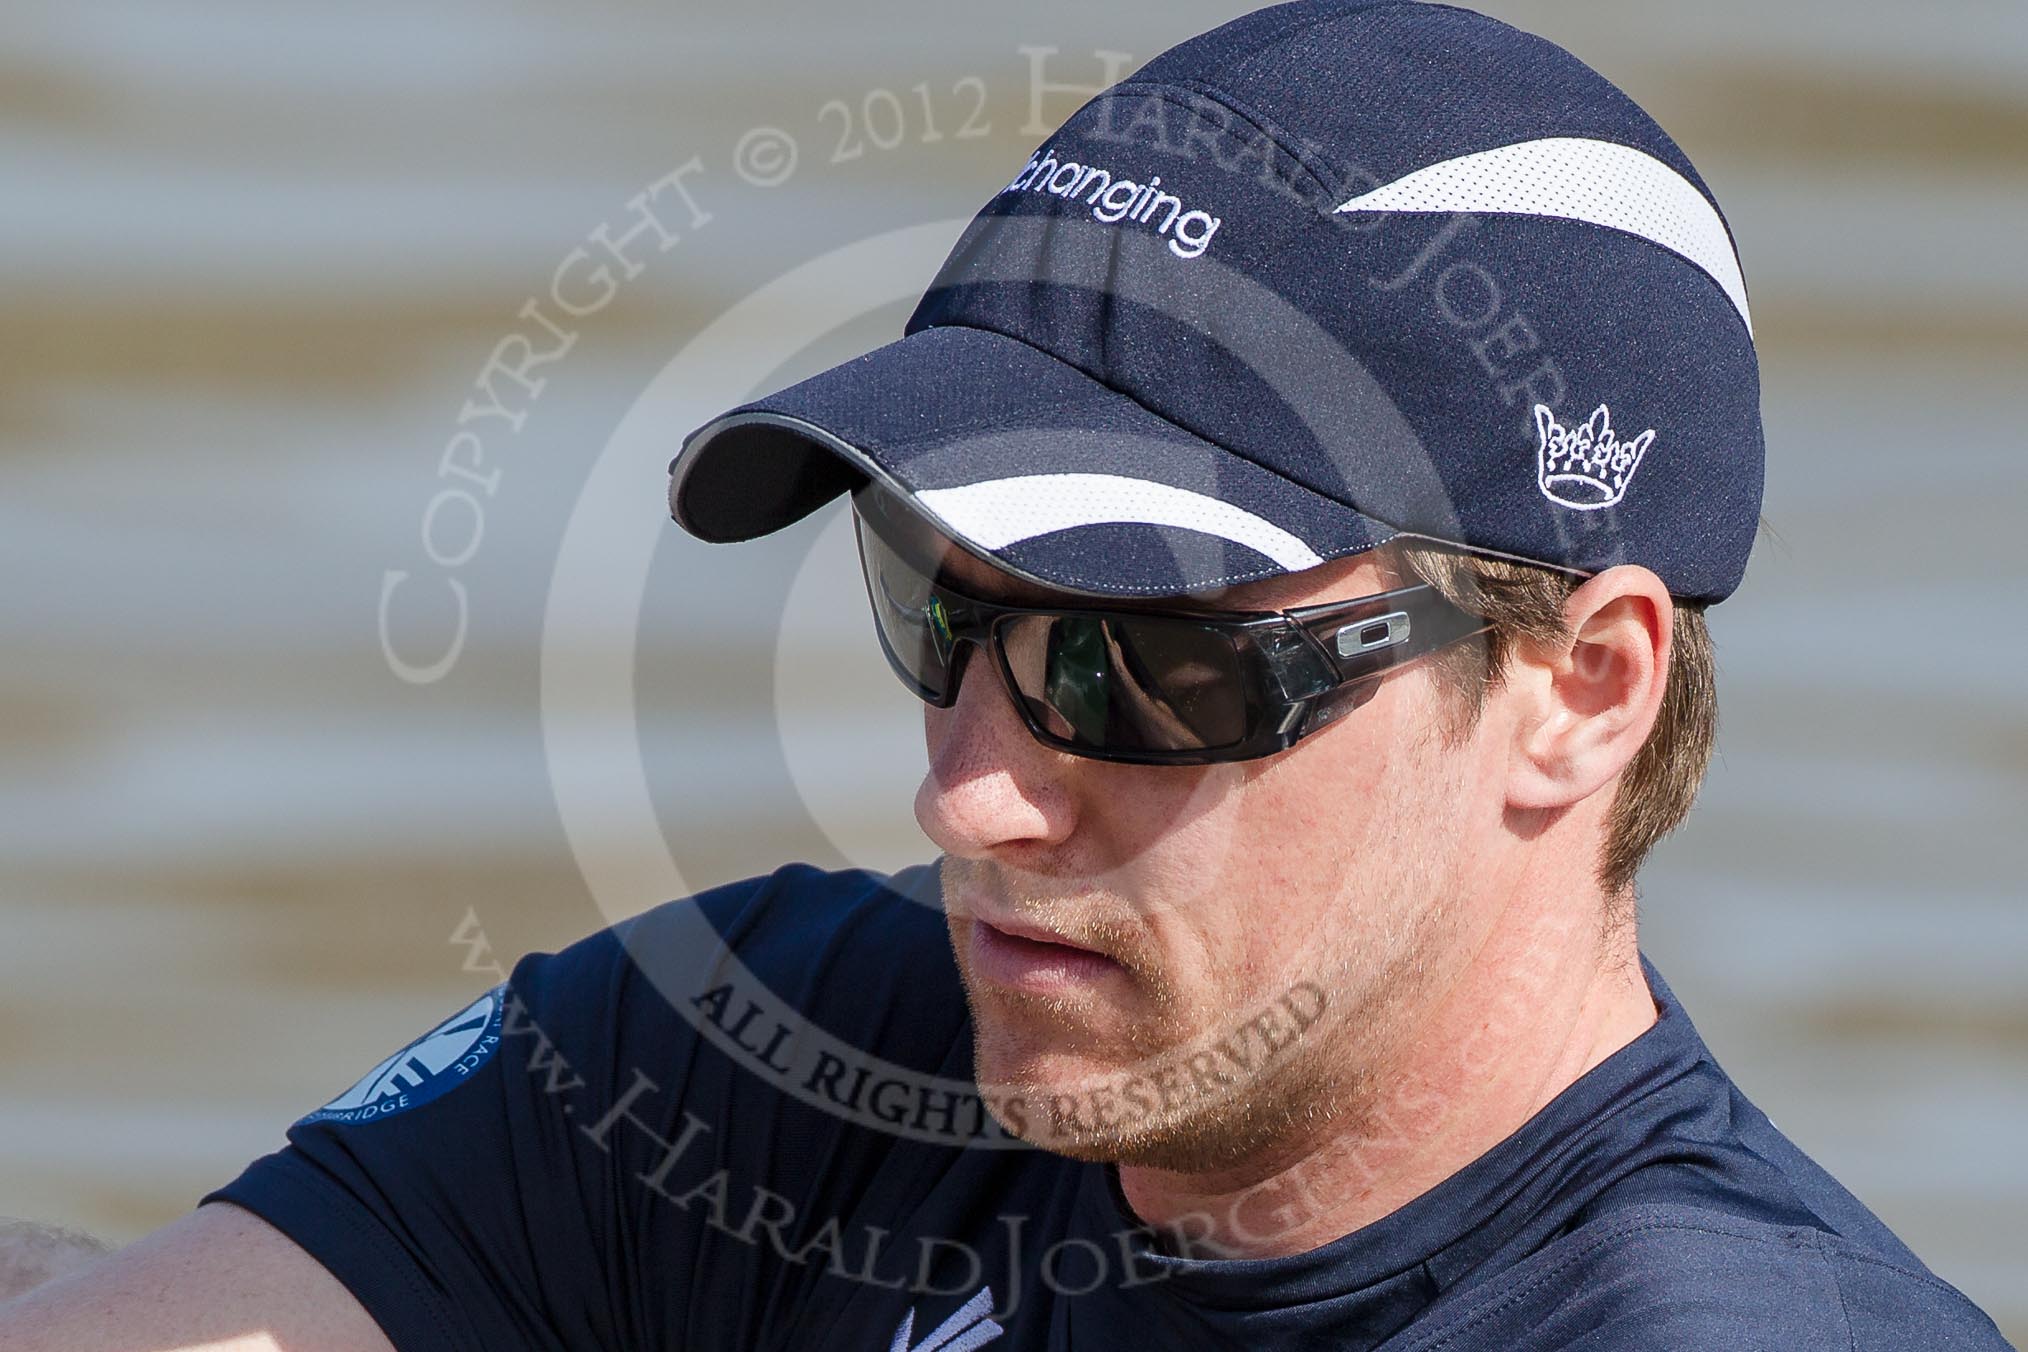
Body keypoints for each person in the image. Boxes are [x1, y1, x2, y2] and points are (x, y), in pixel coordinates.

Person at [2, 1, 2012, 1348]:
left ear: (1579, 687)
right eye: (939, 613)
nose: (968, 793)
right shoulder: (763, 1059)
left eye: (1144, 663)